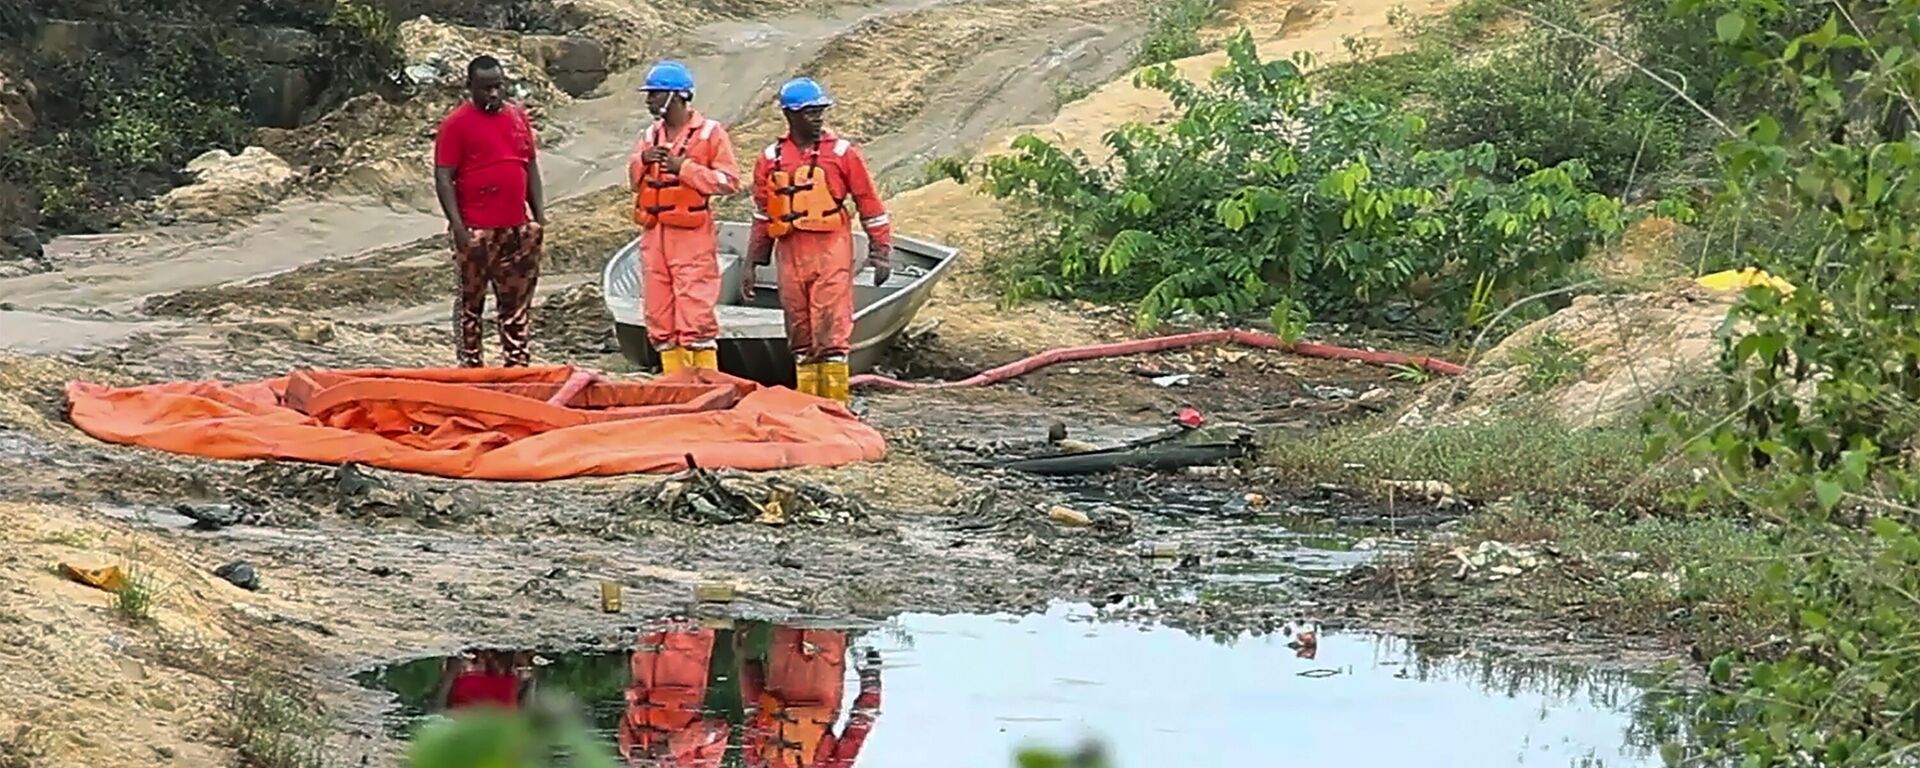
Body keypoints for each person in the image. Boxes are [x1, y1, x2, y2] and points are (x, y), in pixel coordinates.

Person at [744, 77, 893, 403]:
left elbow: (869, 203)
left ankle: (836, 409)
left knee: (831, 330)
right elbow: (763, 212)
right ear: (790, 115)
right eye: (810, 112)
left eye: (820, 111)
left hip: (830, 251)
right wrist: (753, 261)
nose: (818, 118)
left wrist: (881, 251)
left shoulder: (842, 154)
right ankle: (809, 409)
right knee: (800, 331)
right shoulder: (770, 158)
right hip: (790, 254)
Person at [628, 61, 742, 374]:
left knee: (695, 312)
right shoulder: (649, 135)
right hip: (655, 234)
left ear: (676, 96)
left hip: (691, 236)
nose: (649, 100)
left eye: (655, 94)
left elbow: (729, 181)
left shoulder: (710, 134)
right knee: (659, 313)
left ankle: (706, 385)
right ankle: (674, 384)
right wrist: (642, 161)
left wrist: (685, 169)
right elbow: (633, 179)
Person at [434, 55, 547, 368]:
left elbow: (530, 166)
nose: (494, 94)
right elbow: (443, 175)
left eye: (498, 87)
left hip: (518, 227)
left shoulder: (518, 117)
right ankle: (470, 365)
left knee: (516, 301)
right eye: (486, 88)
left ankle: (516, 362)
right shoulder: (455, 124)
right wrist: (457, 226)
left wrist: (538, 216)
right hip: (476, 229)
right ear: (470, 87)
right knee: (471, 302)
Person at [737, 627, 881, 768]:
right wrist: (871, 684)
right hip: (821, 685)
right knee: (826, 625)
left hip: (780, 679)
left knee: (788, 621)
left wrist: (747, 663)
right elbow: (857, 730)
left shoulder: (757, 763)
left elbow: (753, 713)